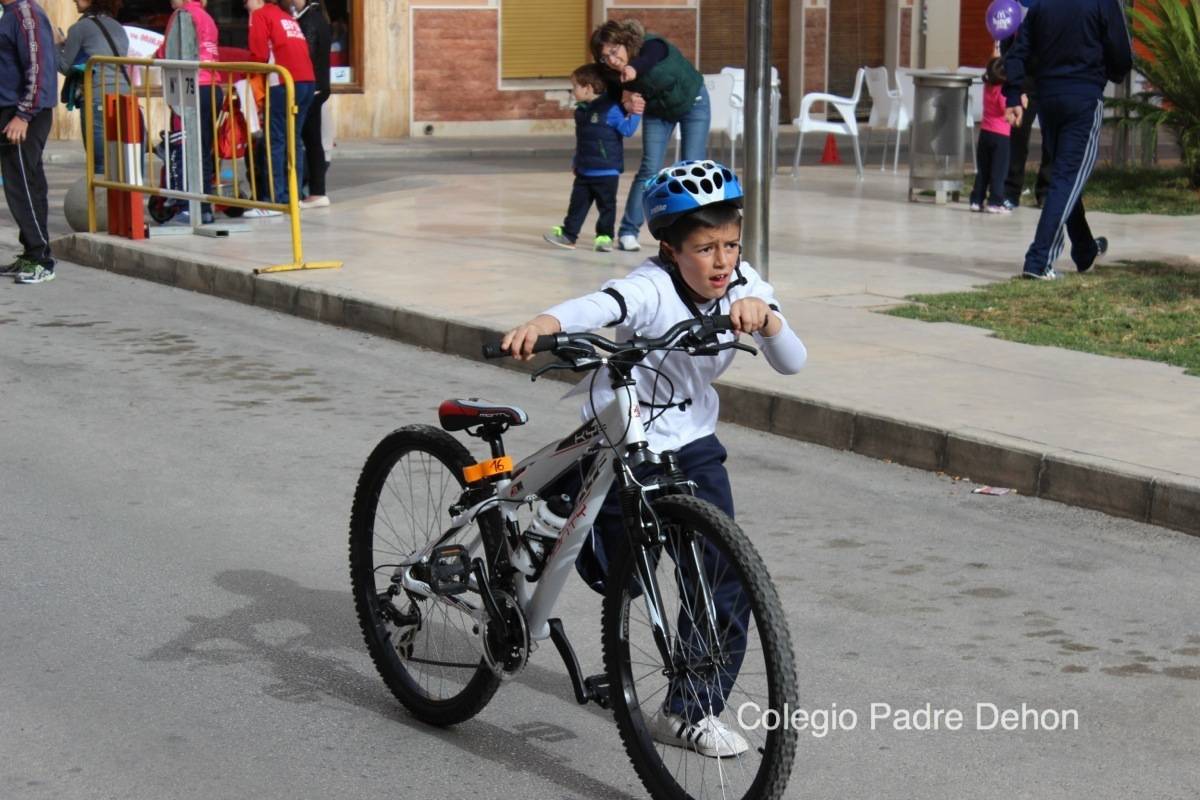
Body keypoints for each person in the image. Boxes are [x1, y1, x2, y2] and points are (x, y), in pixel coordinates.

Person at [502, 160, 807, 757]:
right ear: (669, 249)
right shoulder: (650, 286)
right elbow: (600, 305)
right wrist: (545, 322)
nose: (721, 262)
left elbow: (792, 360)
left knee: (722, 572)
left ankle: (691, 709)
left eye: (730, 245)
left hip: (691, 445)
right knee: (617, 570)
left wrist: (768, 321)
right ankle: (550, 518)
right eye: (704, 248)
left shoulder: (743, 283)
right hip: (626, 438)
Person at [1003, 0, 1132, 279]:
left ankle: (1085, 249)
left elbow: (1015, 52)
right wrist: (1106, 74)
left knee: (1066, 177)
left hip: (1049, 101)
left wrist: (1014, 93)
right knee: (1065, 179)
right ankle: (1039, 260)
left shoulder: (1041, 4)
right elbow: (1121, 54)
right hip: (1083, 99)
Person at [591, 19, 710, 252]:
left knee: (691, 166)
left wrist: (633, 70)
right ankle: (628, 231)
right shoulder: (614, 74)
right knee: (649, 168)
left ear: (625, 42)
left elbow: (652, 56)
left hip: (693, 102)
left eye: (614, 52)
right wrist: (627, 101)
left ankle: (694, 229)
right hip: (658, 111)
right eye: (606, 57)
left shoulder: (650, 44)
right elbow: (618, 96)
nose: (613, 61)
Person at [543, 63, 641, 252]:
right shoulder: (581, 112)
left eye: (575, 87)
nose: (573, 91)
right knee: (577, 206)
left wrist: (636, 114)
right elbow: (582, 141)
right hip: (584, 170)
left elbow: (627, 130)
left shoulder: (610, 110)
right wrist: (576, 160)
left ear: (588, 88)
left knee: (606, 207)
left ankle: (604, 238)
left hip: (607, 170)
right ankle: (569, 235)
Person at [0, 0, 57, 284]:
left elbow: (37, 67)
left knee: (22, 186)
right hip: (13, 111)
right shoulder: (10, 14)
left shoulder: (26, 13)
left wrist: (24, 114)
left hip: (23, 115)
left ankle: (41, 259)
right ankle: (31, 252)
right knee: (27, 183)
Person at [246, 0, 315, 213]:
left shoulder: (260, 16)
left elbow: (258, 54)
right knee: (293, 140)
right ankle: (294, 195)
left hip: (284, 81)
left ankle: (275, 199)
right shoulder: (286, 16)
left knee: (275, 140)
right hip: (306, 81)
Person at [156, 0, 221, 223]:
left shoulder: (182, 14)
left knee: (185, 148)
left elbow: (169, 50)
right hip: (212, 85)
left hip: (189, 87)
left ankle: (186, 207)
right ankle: (203, 207)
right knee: (202, 151)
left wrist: (148, 59)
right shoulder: (207, 16)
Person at [54, 0, 128, 176]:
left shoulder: (80, 28)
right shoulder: (118, 26)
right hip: (125, 93)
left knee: (100, 163)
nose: (74, 0)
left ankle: (102, 202)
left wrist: (56, 44)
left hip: (97, 95)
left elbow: (64, 66)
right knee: (123, 156)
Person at [999, 32, 1050, 209]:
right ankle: (1011, 191)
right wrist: (1014, 80)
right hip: (1024, 78)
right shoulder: (1022, 7)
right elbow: (1008, 43)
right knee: (1018, 136)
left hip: (1050, 77)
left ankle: (1046, 191)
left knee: (1051, 136)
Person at [290, 0, 331, 209]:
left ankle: (314, 191)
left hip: (311, 86)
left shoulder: (308, 21)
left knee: (307, 140)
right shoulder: (319, 18)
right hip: (320, 86)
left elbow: (306, 54)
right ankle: (317, 190)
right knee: (313, 140)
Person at [968, 57, 1012, 215]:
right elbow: (1004, 110)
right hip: (1001, 136)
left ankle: (976, 200)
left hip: (985, 132)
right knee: (998, 171)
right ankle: (995, 202)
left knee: (983, 170)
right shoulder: (1003, 90)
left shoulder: (987, 86)